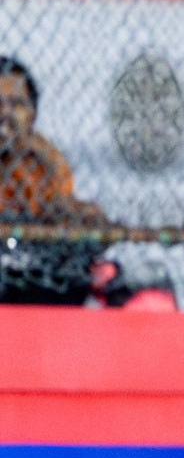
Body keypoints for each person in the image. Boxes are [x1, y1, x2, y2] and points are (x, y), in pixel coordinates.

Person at [0, 56, 111, 304]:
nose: (5, 113)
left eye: (16, 104)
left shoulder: (42, 159)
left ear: (32, 114)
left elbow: (57, 205)